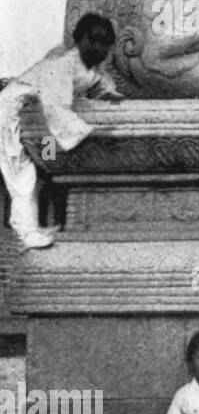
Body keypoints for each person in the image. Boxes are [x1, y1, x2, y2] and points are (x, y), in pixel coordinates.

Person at [0, 14, 123, 249]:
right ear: (79, 39)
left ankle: (39, 225)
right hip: (9, 115)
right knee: (21, 174)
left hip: (38, 123)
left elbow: (98, 81)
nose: (98, 47)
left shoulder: (92, 66)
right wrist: (92, 131)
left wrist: (107, 93)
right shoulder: (62, 65)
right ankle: (25, 233)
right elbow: (57, 109)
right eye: (93, 39)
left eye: (105, 42)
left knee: (45, 167)